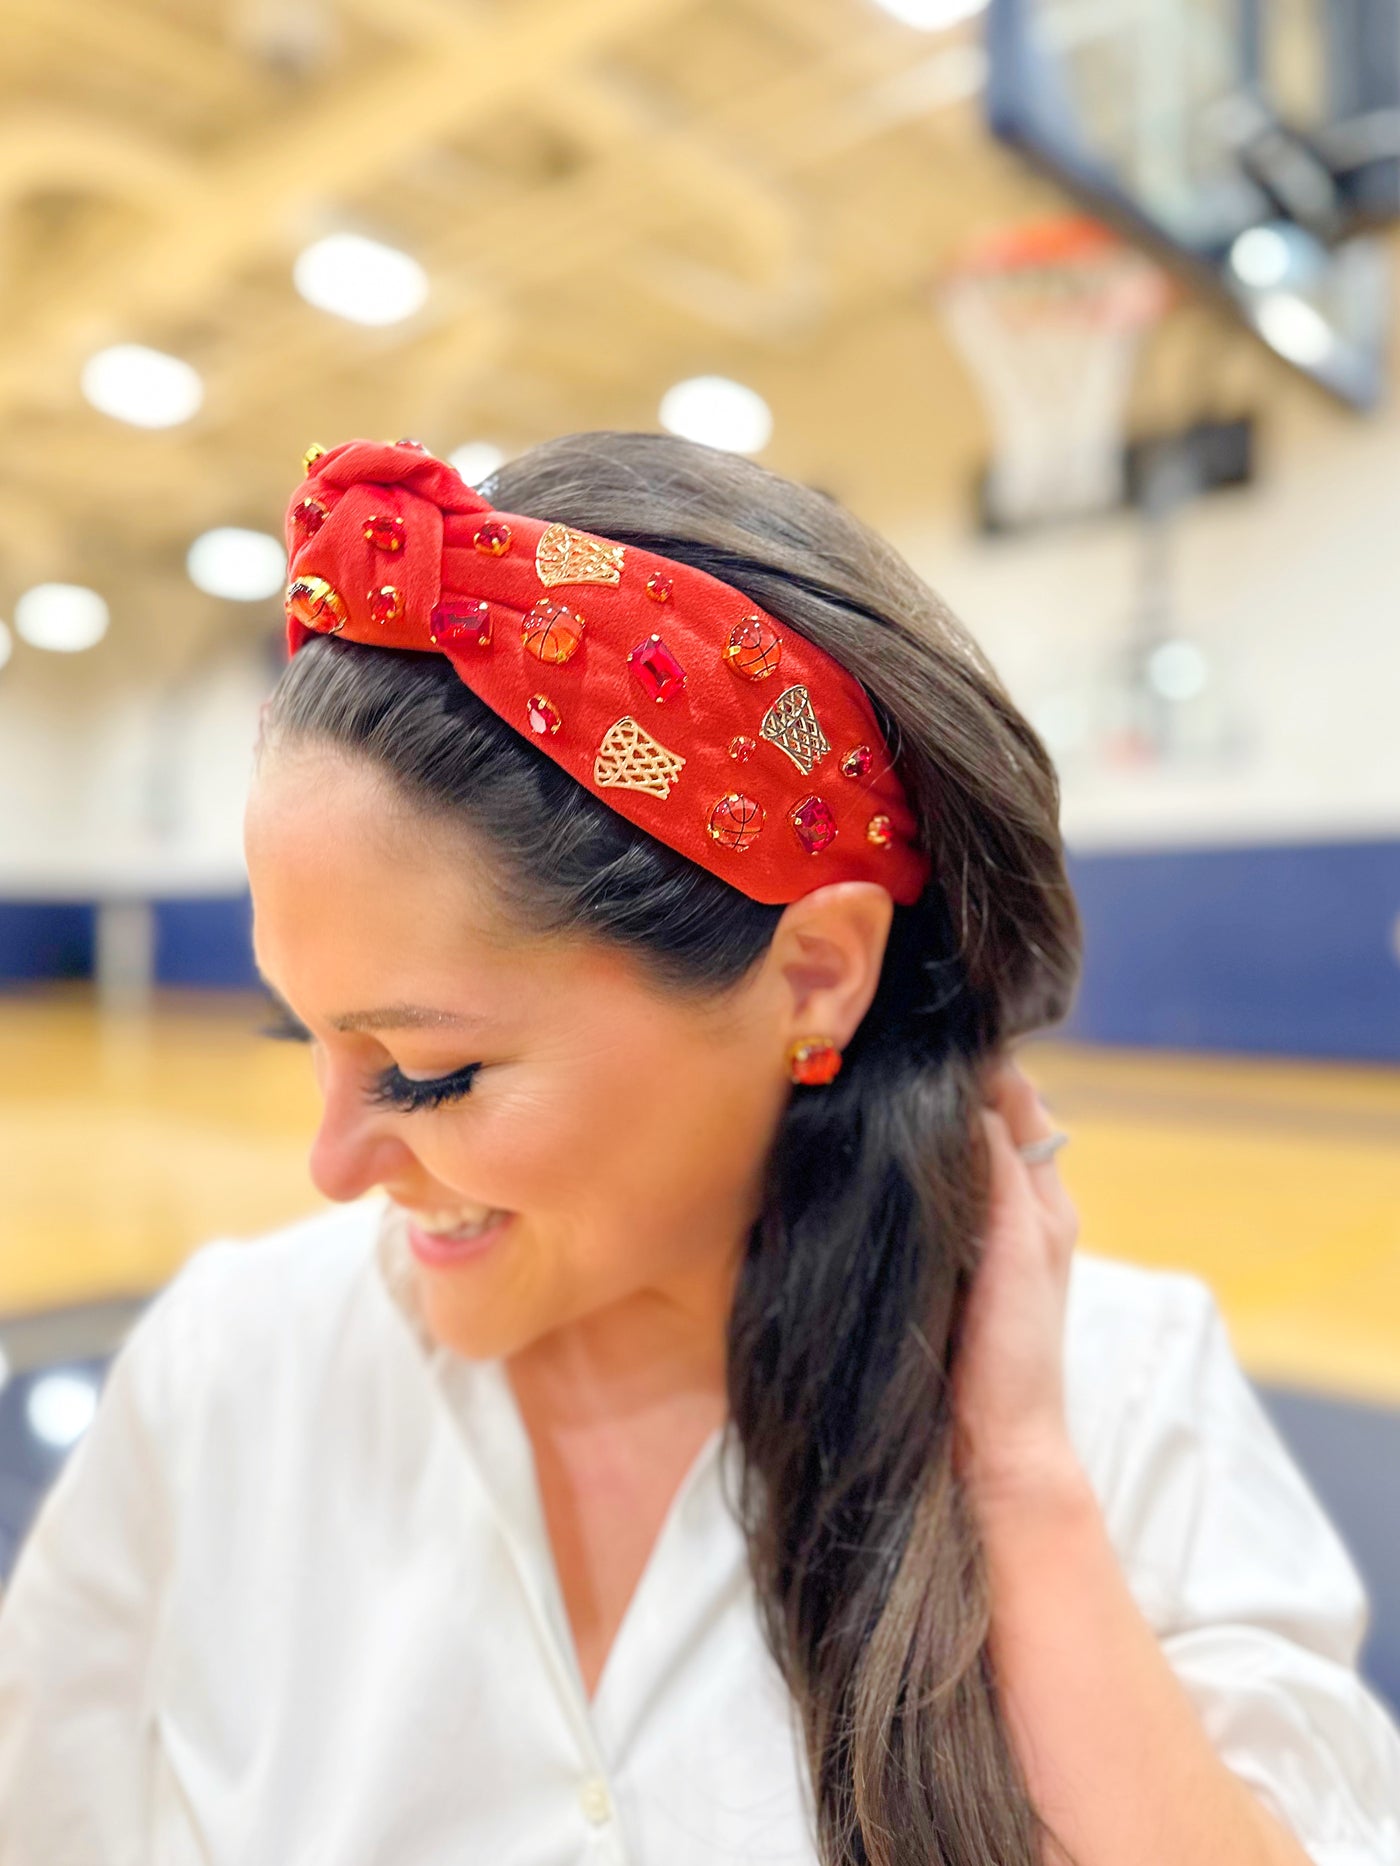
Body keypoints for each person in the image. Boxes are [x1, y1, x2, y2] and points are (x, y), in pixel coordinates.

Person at [0, 432, 1396, 1866]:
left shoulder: (1127, 1405)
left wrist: (1022, 1490)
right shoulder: (230, 1365)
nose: (333, 1166)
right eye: (307, 1042)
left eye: (427, 1071)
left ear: (813, 974)